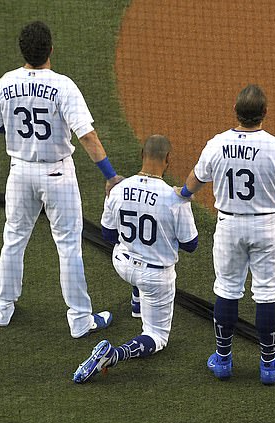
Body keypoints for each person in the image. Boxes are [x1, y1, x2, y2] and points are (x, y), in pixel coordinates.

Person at [0, 21, 123, 338]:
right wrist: (110, 175)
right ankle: (79, 320)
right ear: (50, 49)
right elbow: (87, 137)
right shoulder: (63, 86)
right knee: (69, 248)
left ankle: (2, 309)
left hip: (19, 172)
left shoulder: (6, 82)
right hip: (57, 174)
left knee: (14, 239)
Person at [177, 84, 275, 384]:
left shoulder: (216, 144)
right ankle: (269, 366)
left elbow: (195, 180)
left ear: (236, 112)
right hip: (267, 227)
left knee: (226, 290)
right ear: (265, 114)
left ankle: (222, 361)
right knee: (267, 293)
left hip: (229, 227)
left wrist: (182, 194)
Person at [73, 134, 199, 383]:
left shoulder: (118, 189)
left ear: (142, 155)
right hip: (154, 277)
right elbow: (191, 245)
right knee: (157, 337)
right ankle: (113, 355)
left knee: (134, 247)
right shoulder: (175, 199)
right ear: (168, 160)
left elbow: (108, 235)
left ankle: (137, 302)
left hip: (122, 263)